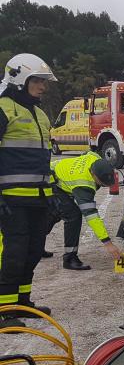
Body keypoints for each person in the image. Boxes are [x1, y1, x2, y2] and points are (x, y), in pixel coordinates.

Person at [0, 53, 57, 329]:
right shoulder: (3, 108)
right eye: (38, 80)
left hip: (39, 196)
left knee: (33, 251)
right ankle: (6, 309)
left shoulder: (40, 113)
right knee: (15, 252)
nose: (43, 87)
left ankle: (23, 302)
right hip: (12, 198)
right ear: (19, 79)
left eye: (44, 81)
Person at [47, 152, 122, 271]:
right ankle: (69, 258)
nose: (102, 185)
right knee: (73, 215)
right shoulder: (84, 185)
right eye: (101, 183)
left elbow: (87, 152)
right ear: (93, 174)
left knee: (55, 214)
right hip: (50, 182)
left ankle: (34, 246)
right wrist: (108, 243)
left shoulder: (95, 158)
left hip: (55, 176)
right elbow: (91, 215)